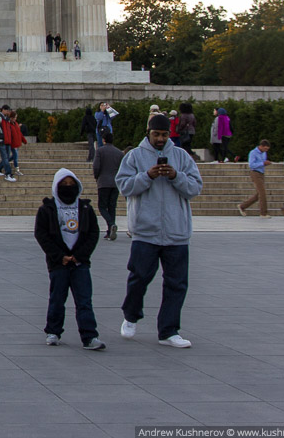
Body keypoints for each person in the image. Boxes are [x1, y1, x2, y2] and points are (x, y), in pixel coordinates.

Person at [116, 113, 203, 348]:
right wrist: (147, 176)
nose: (160, 139)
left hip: (176, 233)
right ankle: (131, 315)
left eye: (164, 135)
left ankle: (169, 331)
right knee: (139, 277)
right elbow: (124, 185)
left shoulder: (181, 156)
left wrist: (176, 176)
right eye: (156, 134)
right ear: (148, 133)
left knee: (176, 283)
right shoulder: (134, 156)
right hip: (146, 231)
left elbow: (195, 188)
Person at [35, 169, 105, 350]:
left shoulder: (85, 208)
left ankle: (90, 336)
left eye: (71, 184)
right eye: (64, 185)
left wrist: (80, 256)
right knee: (57, 298)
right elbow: (42, 235)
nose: (68, 188)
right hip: (59, 263)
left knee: (84, 300)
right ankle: (53, 331)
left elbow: (93, 234)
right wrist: (60, 256)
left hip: (80, 263)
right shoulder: (47, 209)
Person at [92, 131, 123, 241]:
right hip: (115, 183)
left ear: (103, 140)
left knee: (102, 206)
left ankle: (111, 224)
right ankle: (110, 231)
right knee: (112, 206)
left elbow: (96, 166)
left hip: (103, 182)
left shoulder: (100, 151)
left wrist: (96, 177)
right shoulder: (119, 153)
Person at [238, 139, 273, 218]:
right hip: (255, 173)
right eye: (265, 149)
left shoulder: (264, 153)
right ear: (261, 146)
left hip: (261, 173)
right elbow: (251, 165)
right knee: (262, 193)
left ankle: (243, 206)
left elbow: (262, 162)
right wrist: (262, 163)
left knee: (259, 194)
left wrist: (266, 163)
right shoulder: (253, 153)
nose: (266, 150)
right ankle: (263, 213)